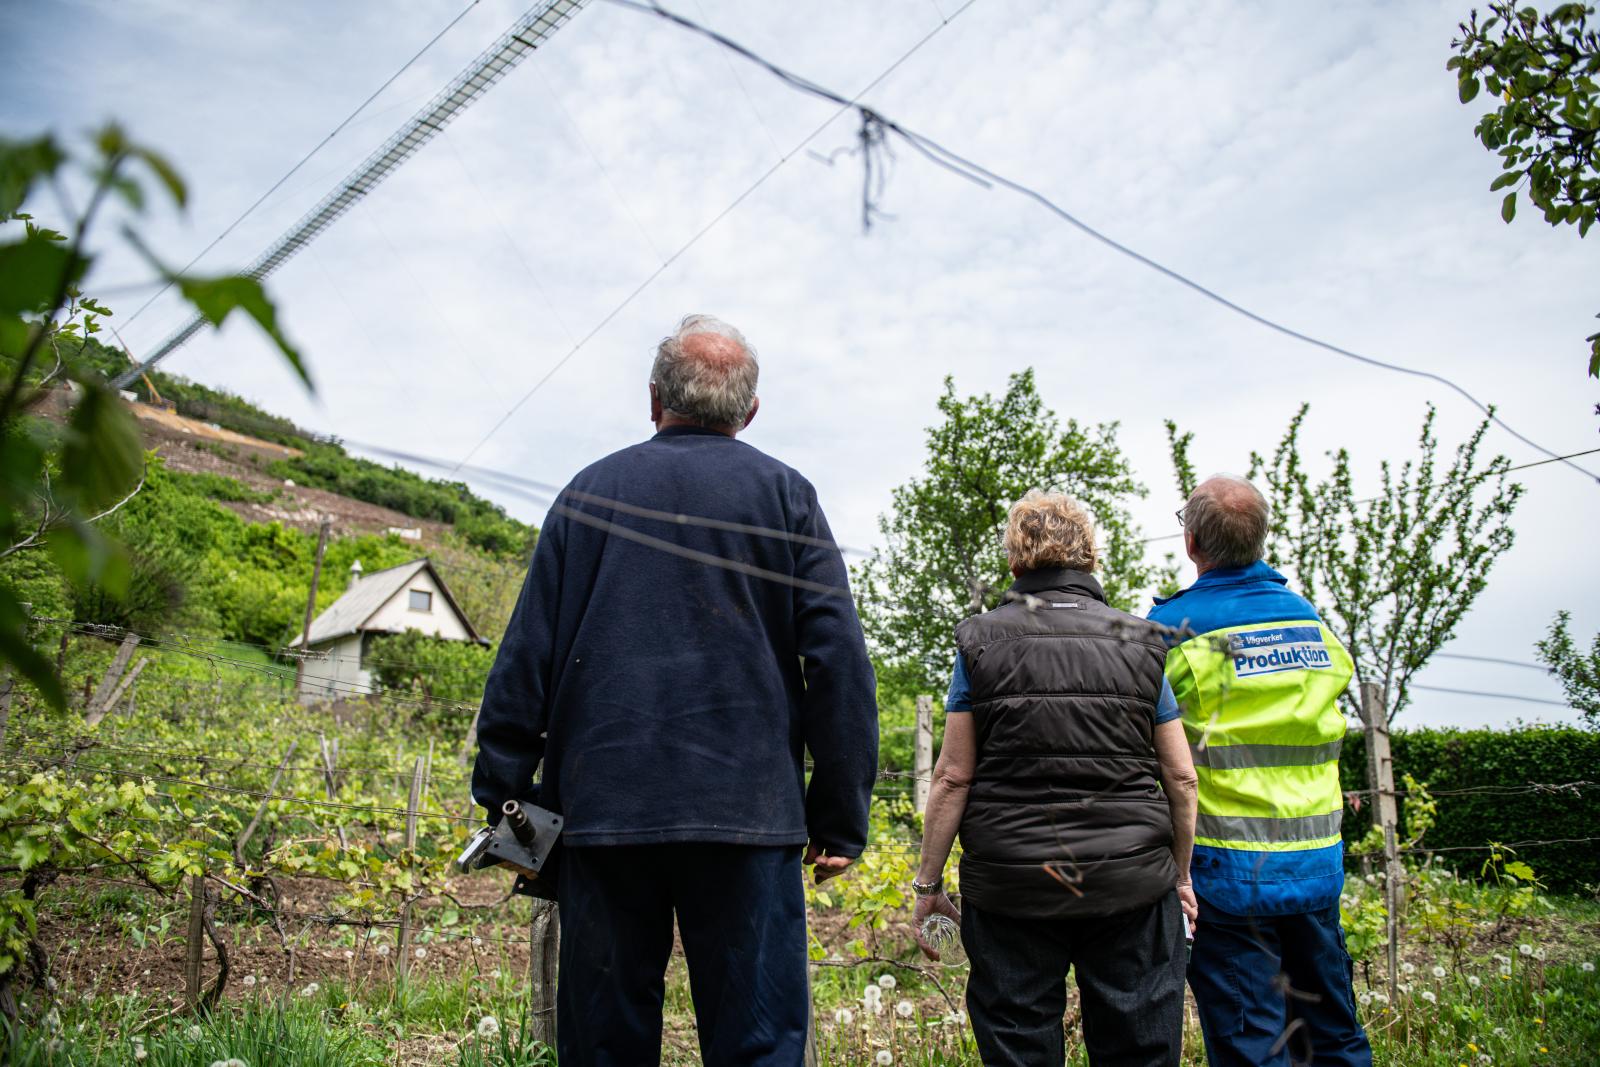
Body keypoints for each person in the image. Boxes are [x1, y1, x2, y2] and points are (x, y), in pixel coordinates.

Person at [471, 314, 879, 1067]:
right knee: (758, 1042)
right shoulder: (787, 497)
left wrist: (505, 797)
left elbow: (527, 652)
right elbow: (836, 662)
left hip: (604, 815)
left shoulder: (588, 492)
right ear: (749, 412)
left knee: (604, 1043)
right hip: (749, 817)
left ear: (653, 396)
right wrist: (839, 813)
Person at [912, 489, 1199, 1067]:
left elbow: (951, 777)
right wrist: (1181, 875)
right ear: (1088, 556)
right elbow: (1181, 776)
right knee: (1140, 1049)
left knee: (1019, 1047)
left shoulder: (980, 642)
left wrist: (928, 885)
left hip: (1011, 888)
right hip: (1133, 884)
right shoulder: (1142, 643)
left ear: (1015, 562)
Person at [1148, 474, 1372, 1067]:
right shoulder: (1311, 624)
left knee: (1253, 1042)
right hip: (1317, 863)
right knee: (1332, 1033)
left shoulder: (1174, 633)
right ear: (1261, 540)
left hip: (1228, 874)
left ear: (1191, 541)